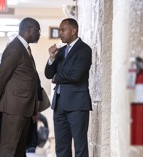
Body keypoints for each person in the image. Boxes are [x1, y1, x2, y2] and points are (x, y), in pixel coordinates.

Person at [0, 17, 41, 157]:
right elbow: (1, 77)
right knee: (9, 149)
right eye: (38, 30)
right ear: (28, 29)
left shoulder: (25, 48)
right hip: (13, 108)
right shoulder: (14, 48)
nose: (39, 34)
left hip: (24, 108)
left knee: (19, 149)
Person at [44, 18, 92, 157]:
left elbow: (75, 75)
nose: (60, 33)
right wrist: (51, 58)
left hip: (77, 105)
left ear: (73, 30)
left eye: (63, 29)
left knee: (80, 146)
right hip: (59, 106)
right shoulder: (60, 51)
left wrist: (57, 78)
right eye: (59, 30)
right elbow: (48, 74)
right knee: (61, 147)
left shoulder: (84, 50)